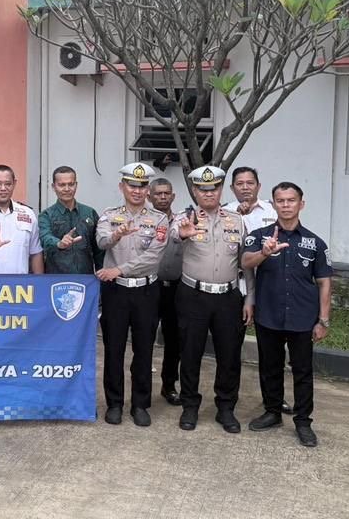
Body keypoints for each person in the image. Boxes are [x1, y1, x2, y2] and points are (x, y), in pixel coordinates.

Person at [242, 182, 333, 448]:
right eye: (280, 201)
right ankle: (272, 412)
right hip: (268, 314)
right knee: (269, 368)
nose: (285, 205)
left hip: (303, 317)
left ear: (301, 204)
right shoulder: (260, 236)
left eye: (291, 200)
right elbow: (245, 262)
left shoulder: (315, 242)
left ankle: (303, 421)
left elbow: (325, 282)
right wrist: (264, 252)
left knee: (302, 371)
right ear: (273, 204)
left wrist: (323, 319)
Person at [93, 162, 170, 427]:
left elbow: (153, 258)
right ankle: (115, 403)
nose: (136, 190)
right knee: (113, 349)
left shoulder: (159, 219)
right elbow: (101, 242)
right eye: (131, 185)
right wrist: (117, 234)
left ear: (147, 189)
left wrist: (118, 269)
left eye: (141, 186)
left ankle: (140, 404)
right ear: (122, 187)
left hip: (146, 291)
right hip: (116, 294)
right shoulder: (109, 214)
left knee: (144, 350)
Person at [174, 165, 248, 434]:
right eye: (203, 189)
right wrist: (183, 232)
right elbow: (174, 236)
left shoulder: (237, 220)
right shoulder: (185, 217)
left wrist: (249, 299)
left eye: (213, 188)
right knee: (190, 352)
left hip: (228, 297)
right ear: (195, 190)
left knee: (229, 355)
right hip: (193, 295)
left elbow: (246, 263)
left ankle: (226, 408)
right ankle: (190, 406)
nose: (208, 193)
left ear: (221, 189)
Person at [223, 166, 291, 414]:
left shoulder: (274, 212)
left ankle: (274, 399)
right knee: (231, 348)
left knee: (271, 350)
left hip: (267, 289)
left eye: (250, 183)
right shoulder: (224, 212)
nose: (245, 187)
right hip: (235, 288)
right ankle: (228, 402)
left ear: (259, 186)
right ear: (232, 188)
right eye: (239, 183)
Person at [149, 178, 185, 406]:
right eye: (158, 194)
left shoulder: (184, 221)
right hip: (150, 287)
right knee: (145, 338)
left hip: (177, 288)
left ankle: (169, 385)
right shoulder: (144, 221)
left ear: (172, 196)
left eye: (166, 193)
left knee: (175, 340)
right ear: (150, 196)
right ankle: (142, 387)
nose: (162, 197)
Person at [37, 165, 104, 275]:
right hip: (56, 280)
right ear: (53, 187)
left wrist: (100, 274)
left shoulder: (89, 213)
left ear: (76, 185)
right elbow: (45, 238)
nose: (67, 189)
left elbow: (99, 249)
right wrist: (59, 243)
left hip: (86, 279)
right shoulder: (46, 215)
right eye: (62, 185)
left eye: (71, 184)